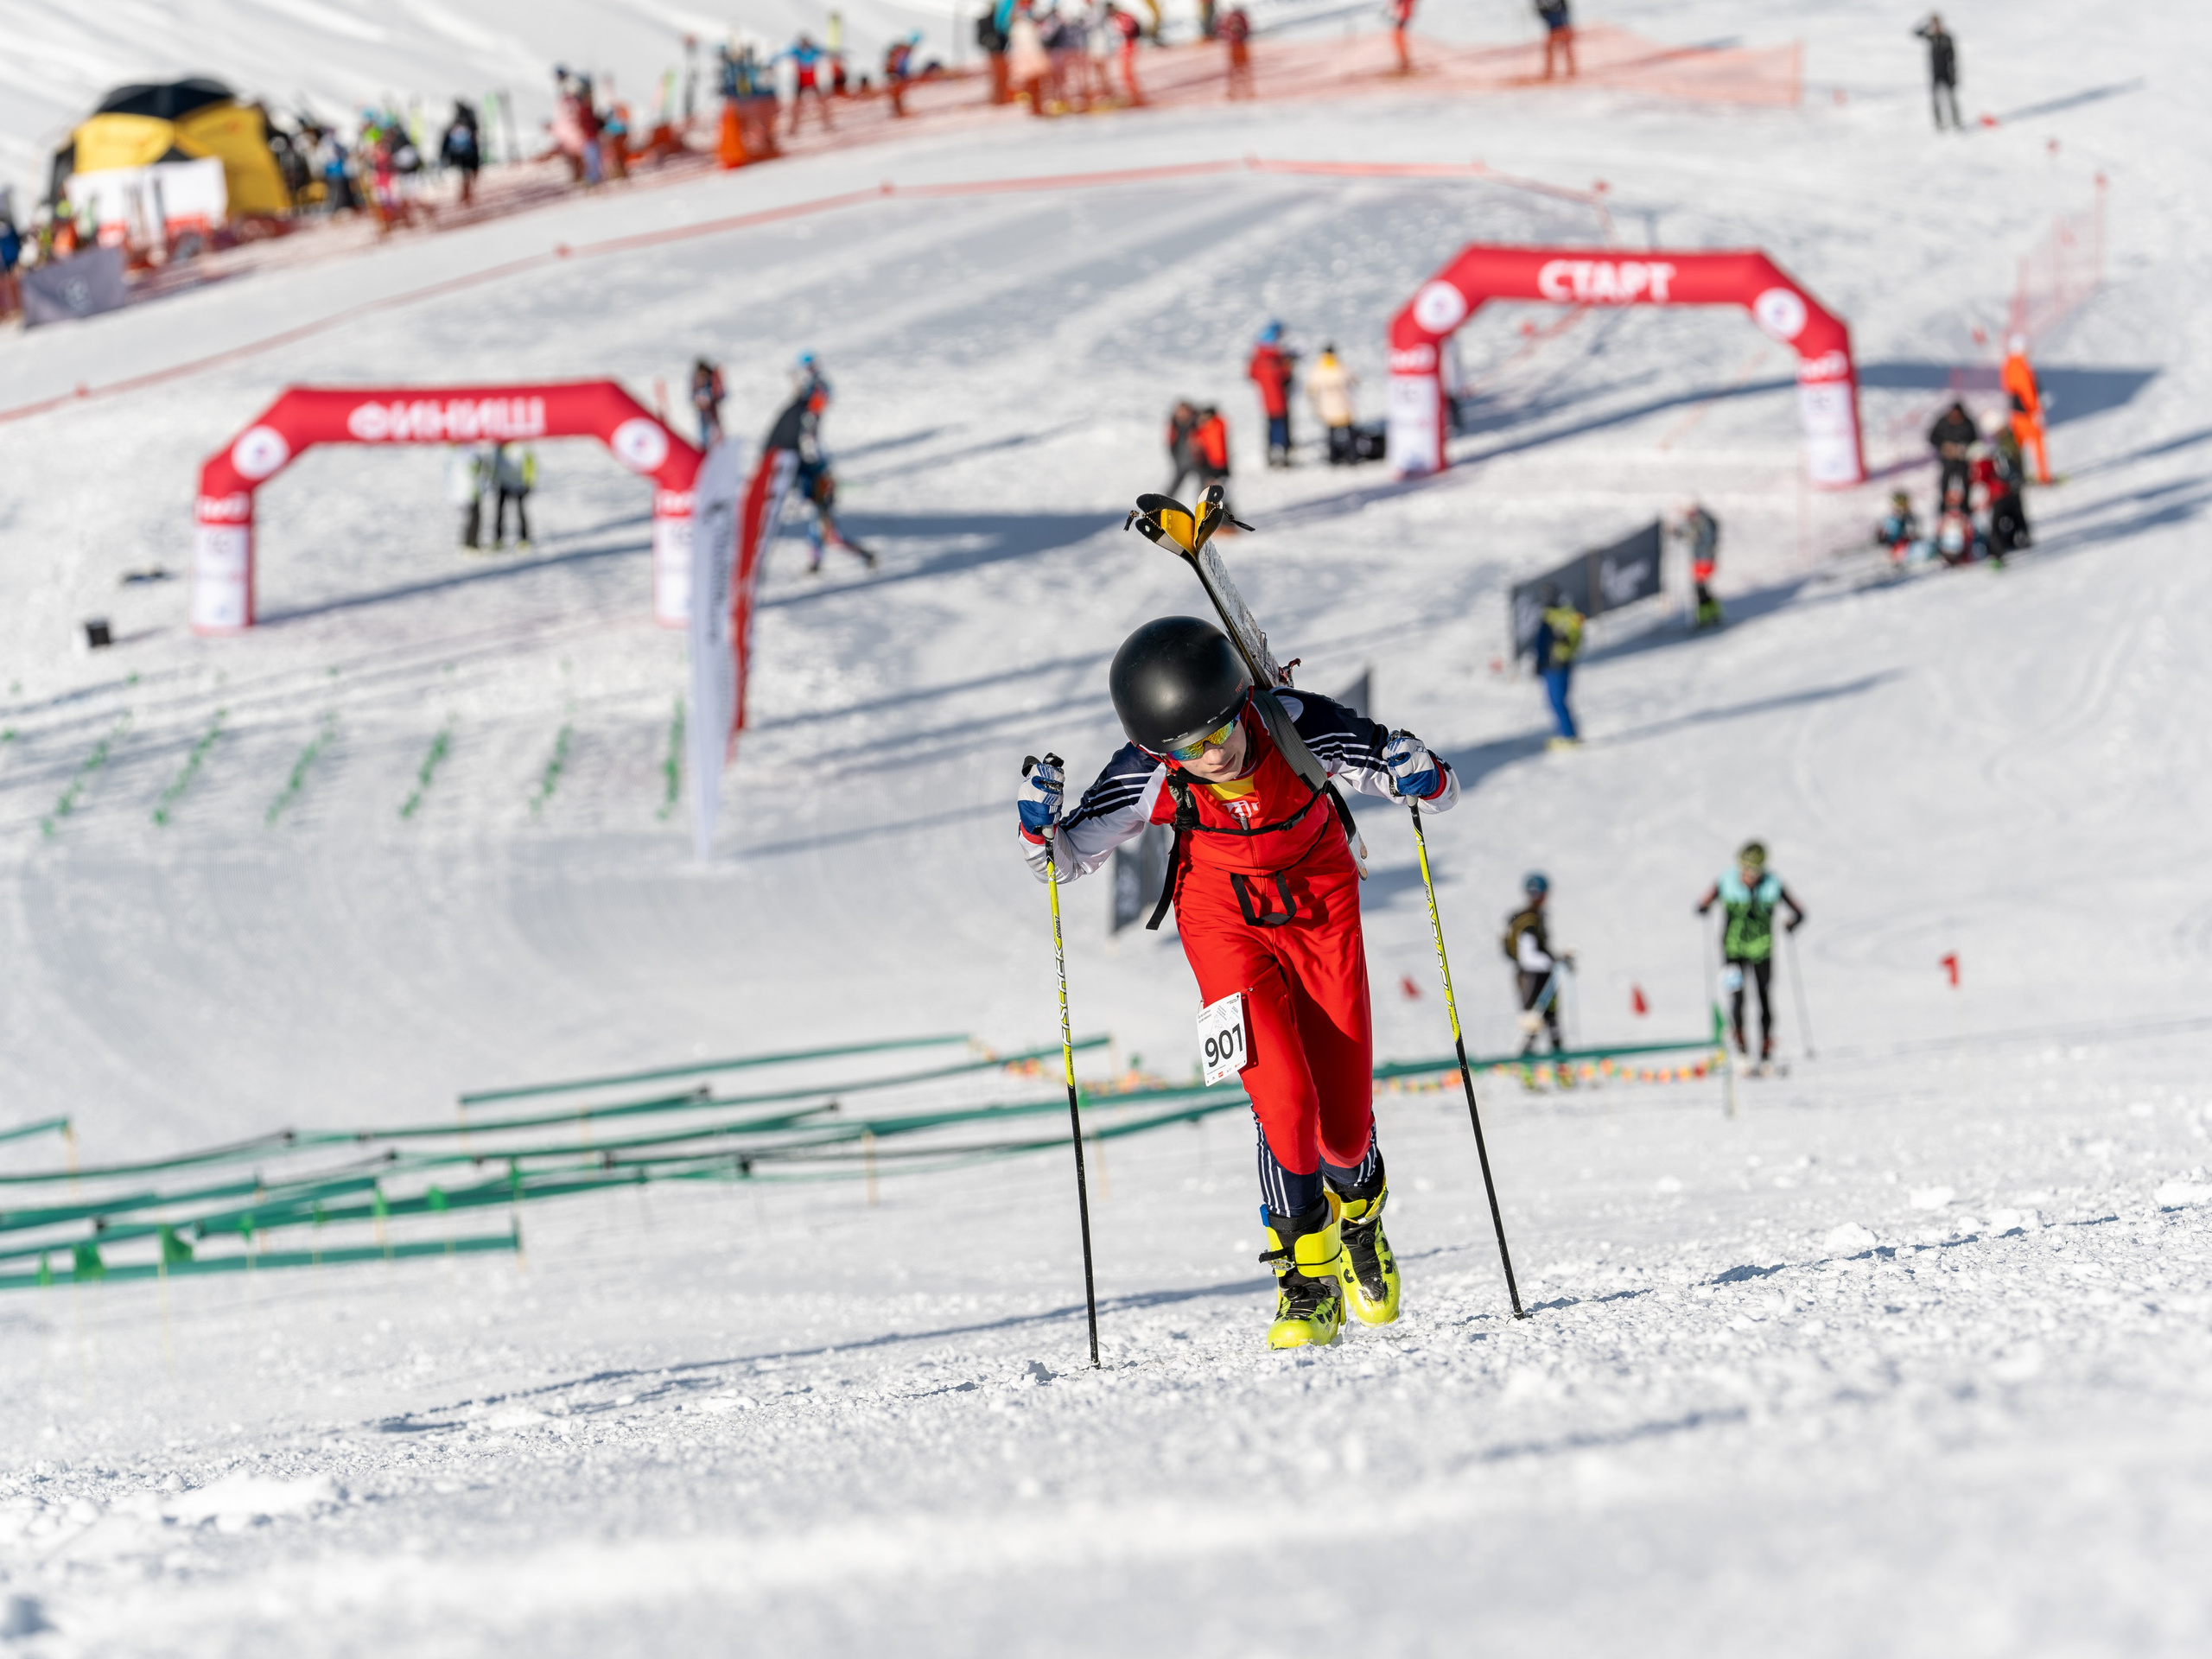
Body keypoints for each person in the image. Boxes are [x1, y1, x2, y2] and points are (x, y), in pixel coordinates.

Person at [1018, 614, 1460, 1349]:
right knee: (1282, 1102)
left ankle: (1362, 1223)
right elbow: (1061, 863)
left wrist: (1421, 771)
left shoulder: (1297, 724)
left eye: (1218, 733)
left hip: (1319, 906)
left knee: (1343, 1129)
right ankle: (1305, 1286)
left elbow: (1431, 789)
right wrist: (1038, 828)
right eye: (1183, 749)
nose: (1209, 756)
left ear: (1239, 703)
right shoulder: (1148, 771)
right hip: (1221, 919)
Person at [1695, 842, 1805, 1066]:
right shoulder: (1725, 881)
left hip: (1762, 951)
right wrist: (1705, 908)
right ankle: (1741, 1051)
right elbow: (1701, 903)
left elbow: (1799, 911)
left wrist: (1791, 924)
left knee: (1764, 999)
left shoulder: (1773, 884)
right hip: (1731, 951)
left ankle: (1765, 1054)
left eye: (1754, 870)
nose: (1750, 875)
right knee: (1737, 1000)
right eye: (1745, 869)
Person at [765, 378, 875, 571]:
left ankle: (829, 560)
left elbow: (812, 450)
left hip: (815, 483)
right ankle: (819, 562)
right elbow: (810, 449)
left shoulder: (808, 417)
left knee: (827, 532)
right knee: (821, 530)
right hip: (809, 479)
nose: (824, 403)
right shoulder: (807, 417)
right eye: (822, 398)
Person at [1502, 873, 1570, 1057]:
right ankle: (1529, 1070)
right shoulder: (1530, 920)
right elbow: (1528, 956)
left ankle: (1559, 1069)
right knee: (1534, 1025)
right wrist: (1555, 962)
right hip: (1532, 979)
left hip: (1539, 978)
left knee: (1551, 1022)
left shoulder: (1532, 917)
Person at [1532, 585, 1582, 748]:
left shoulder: (1551, 617)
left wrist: (1539, 661)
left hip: (1555, 665)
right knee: (1557, 701)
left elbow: (1542, 644)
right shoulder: (1562, 615)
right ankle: (1566, 734)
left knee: (1557, 701)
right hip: (1558, 664)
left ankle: (1568, 736)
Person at [1977, 415, 2031, 563]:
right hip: (2008, 488)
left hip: (2004, 490)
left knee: (2005, 518)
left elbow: (2010, 464)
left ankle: (2003, 546)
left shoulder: (2006, 443)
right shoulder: (2005, 441)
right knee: (2015, 516)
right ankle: (2017, 540)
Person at [2001, 334, 2050, 484]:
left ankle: (2017, 475)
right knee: (2037, 444)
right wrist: (2035, 410)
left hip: (2016, 412)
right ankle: (2043, 476)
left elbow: (2009, 388)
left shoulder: (2008, 364)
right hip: (2027, 413)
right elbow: (2028, 391)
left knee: (2017, 446)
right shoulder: (2020, 366)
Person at [1246, 322, 1295, 467]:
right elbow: (1284, 375)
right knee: (1281, 427)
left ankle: (1271, 454)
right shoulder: (1275, 360)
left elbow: (1251, 374)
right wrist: (1287, 366)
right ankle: (1282, 454)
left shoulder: (1257, 359)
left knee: (1271, 427)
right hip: (1279, 399)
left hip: (1266, 400)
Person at [1306, 345, 1357, 464]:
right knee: (1350, 435)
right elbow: (1355, 380)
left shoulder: (1317, 369)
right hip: (1344, 407)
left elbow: (1310, 388)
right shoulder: (1341, 367)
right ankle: (1353, 457)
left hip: (1327, 409)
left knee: (1331, 436)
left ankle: (1333, 458)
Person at [1678, 501, 1722, 629]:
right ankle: (1713, 614)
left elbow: (1702, 539)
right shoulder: (1699, 522)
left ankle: (1704, 617)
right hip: (1701, 560)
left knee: (1700, 589)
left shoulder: (1703, 522)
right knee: (1703, 589)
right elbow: (1689, 532)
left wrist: (1693, 537)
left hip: (1704, 560)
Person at [1914, 14, 1961, 130]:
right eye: (1933, 25)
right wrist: (1925, 23)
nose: (1936, 27)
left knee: (1951, 99)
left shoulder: (1947, 38)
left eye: (1937, 24)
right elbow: (1915, 33)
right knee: (1936, 100)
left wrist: (1954, 76)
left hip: (1947, 74)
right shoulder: (1931, 38)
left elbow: (1953, 58)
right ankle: (1939, 123)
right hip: (1935, 74)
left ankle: (1956, 122)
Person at [1928, 400, 1976, 505]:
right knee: (1945, 480)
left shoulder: (1968, 423)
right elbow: (1932, 437)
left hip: (1962, 460)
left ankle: (1965, 505)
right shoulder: (1943, 422)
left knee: (1965, 481)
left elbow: (1975, 440)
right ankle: (1945, 504)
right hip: (1948, 460)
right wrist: (1944, 446)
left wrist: (1963, 448)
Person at [785, 35, 835, 133]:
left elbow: (826, 51)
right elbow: (783, 54)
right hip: (801, 82)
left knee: (822, 103)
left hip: (812, 81)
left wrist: (838, 54)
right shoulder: (796, 51)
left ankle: (827, 124)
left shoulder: (813, 50)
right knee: (796, 106)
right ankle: (793, 128)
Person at [1192, 405, 1235, 519]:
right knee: (1215, 496)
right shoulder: (1206, 429)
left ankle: (1228, 521)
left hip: (1220, 465)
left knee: (1223, 495)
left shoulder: (1216, 425)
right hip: (1212, 465)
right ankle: (1220, 520)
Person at [493, 442, 536, 550]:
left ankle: (524, 538)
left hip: (518, 483)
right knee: (500, 512)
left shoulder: (521, 447)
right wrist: (494, 479)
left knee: (520, 511)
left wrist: (529, 481)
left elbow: (530, 463)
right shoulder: (499, 447)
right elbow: (495, 464)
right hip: (503, 483)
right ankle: (498, 539)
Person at [446, 443, 490, 550]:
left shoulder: (470, 451)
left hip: (474, 491)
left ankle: (473, 542)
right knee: (472, 518)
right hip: (467, 492)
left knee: (475, 517)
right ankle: (470, 543)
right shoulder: (460, 455)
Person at [440, 101, 481, 207]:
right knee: (469, 175)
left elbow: (446, 140)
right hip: (469, 154)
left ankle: (466, 193)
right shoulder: (470, 122)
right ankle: (466, 193)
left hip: (463, 154)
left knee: (466, 175)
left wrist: (446, 154)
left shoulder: (456, 123)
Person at [1874, 490, 1925, 566]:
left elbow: (1916, 534)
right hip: (1899, 549)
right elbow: (1886, 538)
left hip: (1908, 546)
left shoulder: (1909, 517)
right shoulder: (1891, 520)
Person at [690, 358, 727, 445]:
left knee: (715, 428)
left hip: (712, 410)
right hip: (704, 411)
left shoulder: (711, 379)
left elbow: (719, 394)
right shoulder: (698, 380)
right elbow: (693, 394)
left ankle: (719, 444)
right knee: (705, 429)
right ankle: (706, 445)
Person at [1220, 6, 1254, 98]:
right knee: (1240, 71)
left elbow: (1223, 31)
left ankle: (1239, 91)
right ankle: (1242, 90)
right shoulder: (1239, 17)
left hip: (1237, 48)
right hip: (1238, 48)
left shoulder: (1230, 18)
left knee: (1237, 71)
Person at [1537, 0, 1575, 79]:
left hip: (1562, 25)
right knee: (1550, 48)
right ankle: (1550, 71)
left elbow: (1565, 7)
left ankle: (1571, 69)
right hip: (1553, 27)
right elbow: (1540, 8)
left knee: (1567, 47)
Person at [1389, 0, 1416, 74]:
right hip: (1401, 14)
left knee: (1398, 37)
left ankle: (1404, 62)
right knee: (1397, 37)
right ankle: (1404, 61)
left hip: (1403, 14)